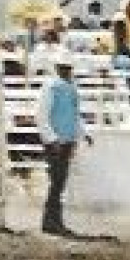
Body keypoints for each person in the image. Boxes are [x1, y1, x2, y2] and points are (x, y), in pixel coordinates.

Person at [35, 59, 92, 236]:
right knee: (57, 180)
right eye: (65, 68)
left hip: (65, 140)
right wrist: (52, 139)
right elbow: (41, 116)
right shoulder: (52, 87)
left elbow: (75, 114)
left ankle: (52, 220)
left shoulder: (68, 88)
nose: (68, 71)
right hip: (57, 142)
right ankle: (51, 220)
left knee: (59, 181)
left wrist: (82, 133)